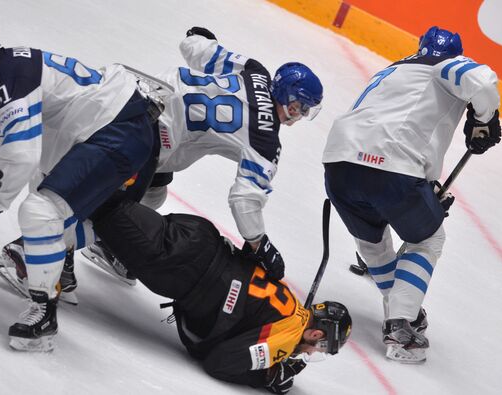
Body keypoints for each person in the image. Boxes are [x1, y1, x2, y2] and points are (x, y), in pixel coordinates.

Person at [0, 17, 162, 351]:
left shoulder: (4, 82)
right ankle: (58, 262)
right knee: (44, 196)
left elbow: (20, 155)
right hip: (113, 127)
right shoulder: (12, 67)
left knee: (40, 210)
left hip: (117, 132)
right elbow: (6, 144)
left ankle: (44, 315)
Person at [83, 26, 324, 283]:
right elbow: (244, 200)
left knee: (154, 193)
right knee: (112, 207)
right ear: (290, 101)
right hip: (152, 131)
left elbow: (199, 51)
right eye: (301, 109)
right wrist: (259, 243)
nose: (300, 116)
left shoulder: (256, 71)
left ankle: (103, 240)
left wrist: (197, 38)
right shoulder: (264, 140)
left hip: (148, 88)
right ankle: (68, 248)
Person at [322, 26, 500, 363]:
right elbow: (483, 81)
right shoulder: (445, 65)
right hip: (392, 169)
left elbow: (400, 124)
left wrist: (427, 186)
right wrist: (484, 118)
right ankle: (400, 328)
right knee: (428, 239)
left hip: (338, 166)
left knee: (373, 243)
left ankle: (402, 304)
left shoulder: (393, 69)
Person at [93, 199, 351, 394]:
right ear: (316, 334)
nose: (311, 352)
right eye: (320, 347)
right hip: (180, 267)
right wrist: (266, 377)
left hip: (200, 237)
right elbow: (219, 363)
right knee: (94, 203)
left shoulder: (290, 303)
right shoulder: (287, 335)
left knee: (105, 198)